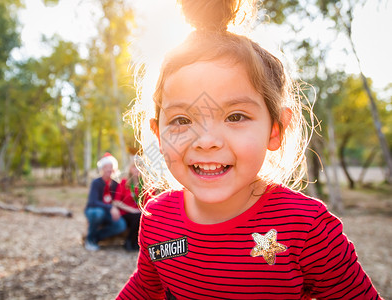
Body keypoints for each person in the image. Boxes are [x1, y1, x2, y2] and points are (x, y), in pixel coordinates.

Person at [117, 0, 382, 299]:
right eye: (182, 120)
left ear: (275, 129)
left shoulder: (307, 229)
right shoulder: (157, 219)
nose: (206, 141)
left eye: (235, 116)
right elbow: (145, 288)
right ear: (159, 134)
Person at [84, 153, 126, 251]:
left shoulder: (116, 184)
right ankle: (90, 240)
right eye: (106, 167)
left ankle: (95, 238)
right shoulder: (96, 183)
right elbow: (93, 201)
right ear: (102, 169)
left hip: (108, 213)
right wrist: (110, 207)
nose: (109, 169)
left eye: (111, 167)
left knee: (121, 225)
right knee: (98, 213)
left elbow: (117, 200)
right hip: (94, 210)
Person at [113, 157, 143, 252]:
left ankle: (137, 243)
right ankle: (129, 241)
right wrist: (132, 210)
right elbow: (116, 202)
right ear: (130, 168)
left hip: (140, 212)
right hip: (126, 213)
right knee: (137, 216)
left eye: (140, 167)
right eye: (135, 167)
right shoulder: (124, 183)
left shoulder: (144, 184)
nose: (137, 169)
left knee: (141, 216)